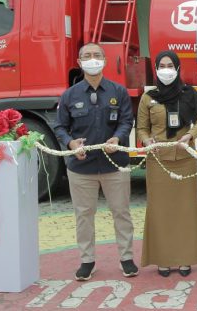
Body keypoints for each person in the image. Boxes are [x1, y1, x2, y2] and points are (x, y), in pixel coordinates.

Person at [53, 43, 137, 281]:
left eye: (97, 55)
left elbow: (126, 121)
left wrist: (118, 137)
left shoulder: (118, 92)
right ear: (79, 62)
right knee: (84, 214)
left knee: (121, 212)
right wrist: (70, 144)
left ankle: (127, 258)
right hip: (81, 167)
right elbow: (60, 126)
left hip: (115, 164)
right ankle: (87, 260)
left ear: (105, 61)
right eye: (87, 56)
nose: (93, 59)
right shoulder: (69, 95)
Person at [136, 51, 197, 277]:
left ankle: (186, 258)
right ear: (156, 69)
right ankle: (163, 259)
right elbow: (141, 128)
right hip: (158, 161)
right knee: (160, 211)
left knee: (186, 210)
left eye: (170, 65)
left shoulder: (189, 93)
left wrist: (190, 135)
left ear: (177, 69)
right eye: (162, 65)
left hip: (185, 159)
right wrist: (147, 141)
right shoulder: (149, 97)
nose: (166, 69)